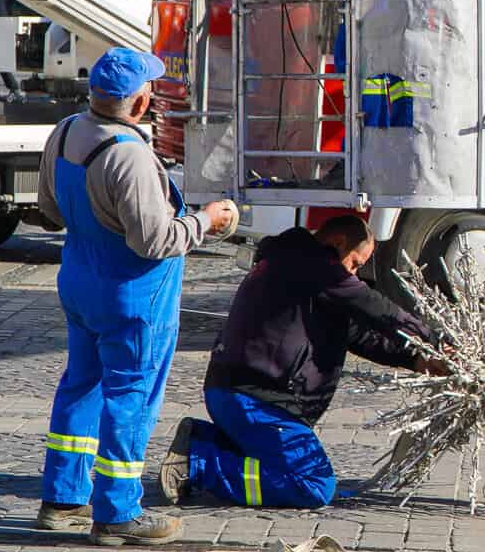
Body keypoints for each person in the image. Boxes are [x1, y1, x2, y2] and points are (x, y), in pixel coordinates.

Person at [35, 48, 239, 545]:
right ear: (141, 102)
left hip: (80, 283)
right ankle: (118, 512)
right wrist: (208, 221)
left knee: (81, 386)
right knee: (131, 397)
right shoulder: (127, 155)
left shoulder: (65, 132)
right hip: (133, 298)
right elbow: (155, 241)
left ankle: (62, 499)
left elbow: (49, 210)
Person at [159, 216, 431, 509]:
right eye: (354, 263)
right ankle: (199, 464)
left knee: (287, 468)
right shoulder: (314, 266)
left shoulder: (298, 270)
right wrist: (437, 342)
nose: (354, 275)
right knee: (314, 484)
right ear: (337, 243)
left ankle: (202, 440)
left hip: (241, 395)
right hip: (257, 399)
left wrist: (416, 359)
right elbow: (372, 305)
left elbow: (359, 335)